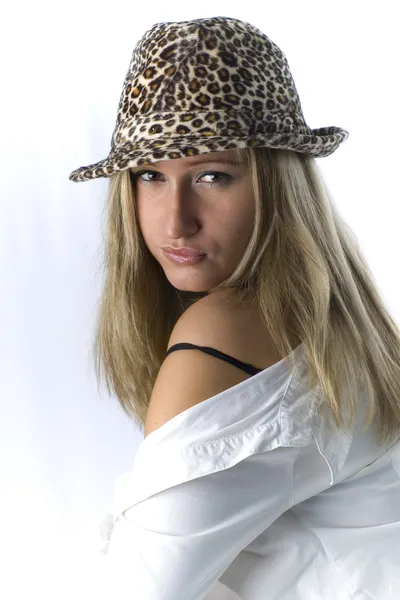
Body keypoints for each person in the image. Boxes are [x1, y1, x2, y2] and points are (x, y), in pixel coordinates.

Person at [69, 16, 400, 600]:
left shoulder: (225, 332)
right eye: (150, 175)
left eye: (212, 175)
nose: (175, 220)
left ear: (277, 185)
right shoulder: (339, 324)